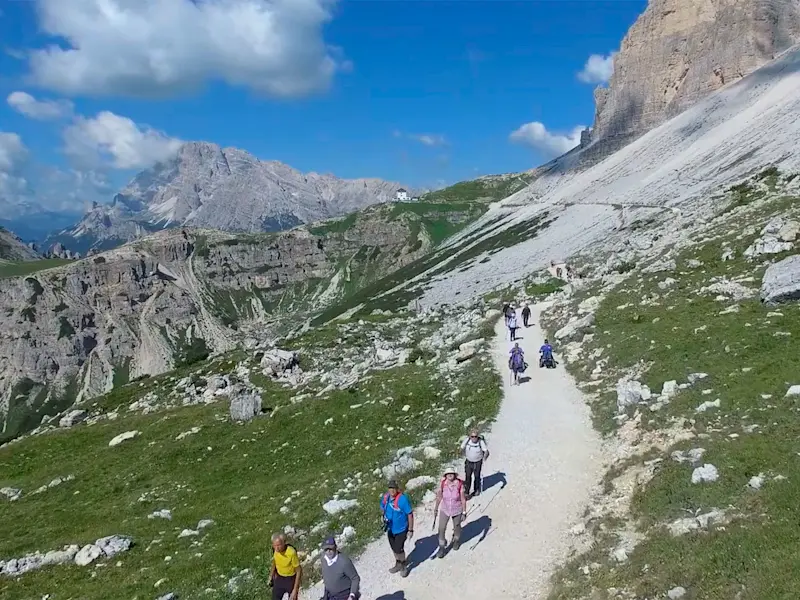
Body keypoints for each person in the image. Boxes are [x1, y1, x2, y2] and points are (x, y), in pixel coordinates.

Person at [380, 480, 414, 577]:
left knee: (399, 548)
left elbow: (410, 514)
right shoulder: (386, 497)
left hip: (401, 529)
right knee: (394, 548)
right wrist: (383, 516)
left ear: (397, 489)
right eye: (390, 488)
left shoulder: (402, 499)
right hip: (390, 528)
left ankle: (403, 565)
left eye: (394, 488)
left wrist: (411, 529)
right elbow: (382, 506)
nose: (392, 490)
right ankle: (398, 563)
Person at [433, 466, 467, 558]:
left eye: (451, 473)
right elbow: (439, 496)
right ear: (446, 475)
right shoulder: (443, 484)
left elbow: (463, 499)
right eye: (448, 474)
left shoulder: (459, 484)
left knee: (457, 526)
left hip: (457, 509)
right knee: (441, 528)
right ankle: (441, 546)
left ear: (454, 475)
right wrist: (436, 508)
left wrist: (464, 512)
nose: (450, 475)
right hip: (445, 509)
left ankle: (456, 540)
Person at [270, 533, 301, 600]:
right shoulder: (275, 550)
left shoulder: (291, 552)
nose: (276, 548)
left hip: (290, 579)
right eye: (274, 545)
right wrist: (271, 574)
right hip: (279, 578)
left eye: (278, 545)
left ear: (284, 543)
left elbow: (298, 570)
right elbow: (275, 561)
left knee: (293, 598)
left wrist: (295, 590)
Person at [460, 429, 489, 498]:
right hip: (468, 461)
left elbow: (486, 451)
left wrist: (484, 458)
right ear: (470, 436)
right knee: (468, 476)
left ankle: (476, 490)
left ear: (478, 436)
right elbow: (461, 447)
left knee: (477, 476)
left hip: (477, 462)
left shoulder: (480, 442)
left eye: (475, 436)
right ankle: (466, 491)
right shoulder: (467, 440)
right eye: (472, 436)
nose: (474, 438)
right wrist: (460, 453)